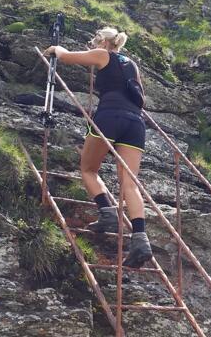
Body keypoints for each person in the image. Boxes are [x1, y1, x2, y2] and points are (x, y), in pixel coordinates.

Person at [43, 27, 152, 268]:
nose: (93, 43)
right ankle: (141, 239)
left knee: (88, 169)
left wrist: (54, 49)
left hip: (110, 116)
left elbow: (68, 56)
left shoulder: (103, 55)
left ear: (103, 41)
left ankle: (107, 213)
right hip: (135, 123)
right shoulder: (131, 64)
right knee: (129, 184)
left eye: (95, 40)